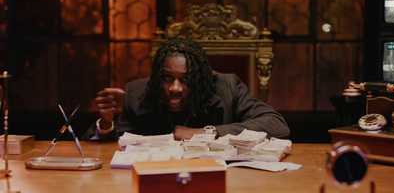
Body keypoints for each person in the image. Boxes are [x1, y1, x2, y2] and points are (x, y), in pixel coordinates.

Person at [82, 37, 290, 141]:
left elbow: (276, 124)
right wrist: (106, 123)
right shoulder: (137, 92)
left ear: (200, 79)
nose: (175, 88)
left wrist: (205, 133)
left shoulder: (226, 86)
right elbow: (114, 150)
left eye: (186, 80)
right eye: (167, 78)